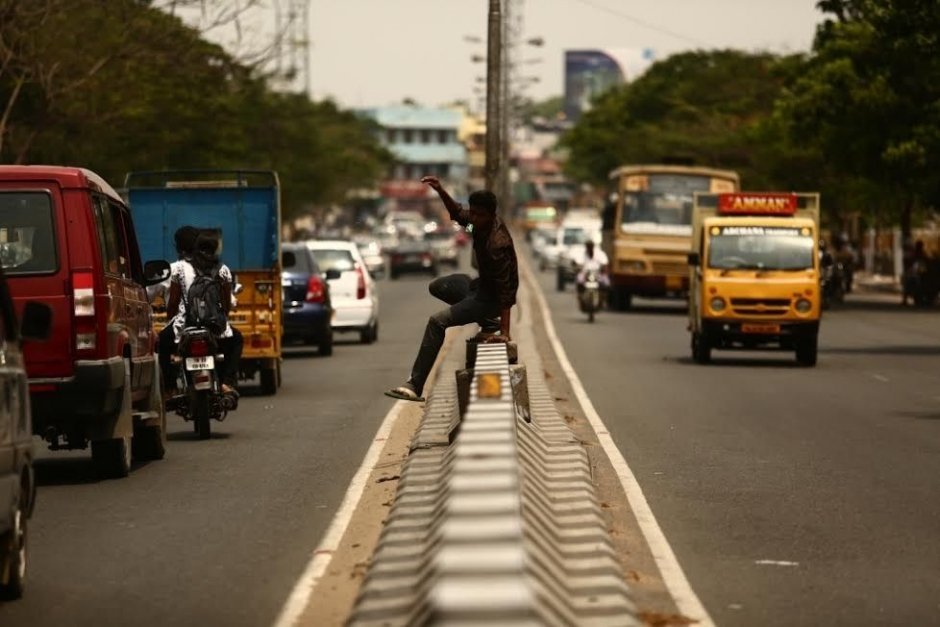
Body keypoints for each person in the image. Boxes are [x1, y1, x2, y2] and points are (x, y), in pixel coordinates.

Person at [385, 176, 519, 402]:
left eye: (479, 215)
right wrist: (440, 190)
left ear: (491, 214)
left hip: (490, 298)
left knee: (437, 321)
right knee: (438, 286)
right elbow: (458, 214)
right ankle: (488, 323)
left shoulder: (497, 243)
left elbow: (506, 292)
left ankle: (415, 385)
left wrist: (505, 333)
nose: (474, 219)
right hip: (479, 286)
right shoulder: (476, 226)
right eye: (473, 213)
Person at [165, 230, 243, 397]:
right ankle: (226, 383)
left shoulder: (178, 269)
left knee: (161, 343)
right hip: (216, 328)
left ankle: (169, 388)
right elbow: (226, 305)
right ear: (216, 250)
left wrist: (170, 316)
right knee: (236, 340)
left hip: (184, 328)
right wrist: (220, 319)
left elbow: (173, 302)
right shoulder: (223, 270)